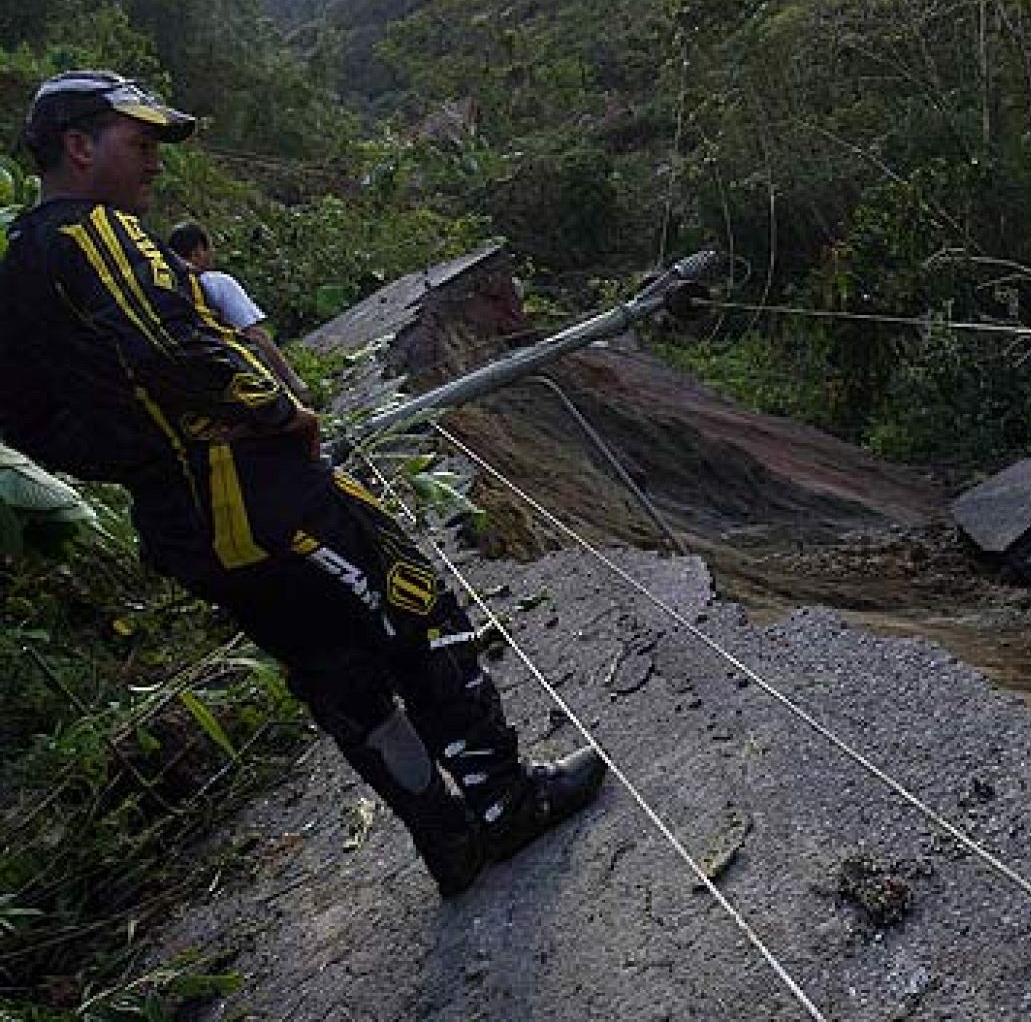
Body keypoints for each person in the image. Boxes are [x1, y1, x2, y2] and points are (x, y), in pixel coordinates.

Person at [0, 70, 605, 898]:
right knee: (417, 609)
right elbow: (174, 347)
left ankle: (449, 838)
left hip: (189, 526)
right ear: (79, 145)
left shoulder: (20, 265)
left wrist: (141, 456)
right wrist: (279, 409)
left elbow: (28, 420)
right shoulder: (97, 234)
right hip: (259, 495)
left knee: (336, 672)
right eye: (139, 144)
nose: (155, 165)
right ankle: (505, 798)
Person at [167, 220, 312, 402]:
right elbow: (255, 335)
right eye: (210, 248)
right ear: (198, 251)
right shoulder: (216, 283)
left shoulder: (171, 295)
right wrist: (296, 385)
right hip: (249, 381)